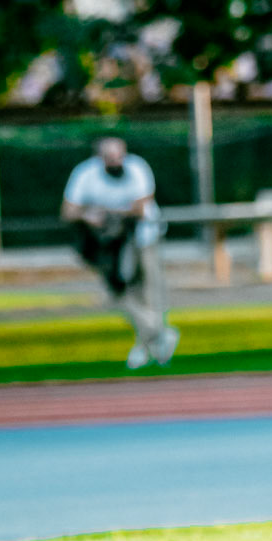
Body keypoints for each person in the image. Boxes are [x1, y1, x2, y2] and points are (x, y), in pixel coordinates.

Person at [61, 135, 180, 370]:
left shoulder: (136, 168)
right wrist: (88, 215)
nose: (116, 162)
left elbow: (141, 204)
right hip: (109, 244)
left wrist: (106, 212)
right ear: (99, 158)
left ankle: (145, 348)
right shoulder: (85, 174)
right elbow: (68, 210)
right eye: (109, 158)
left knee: (146, 291)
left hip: (143, 237)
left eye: (119, 156)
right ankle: (159, 333)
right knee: (118, 292)